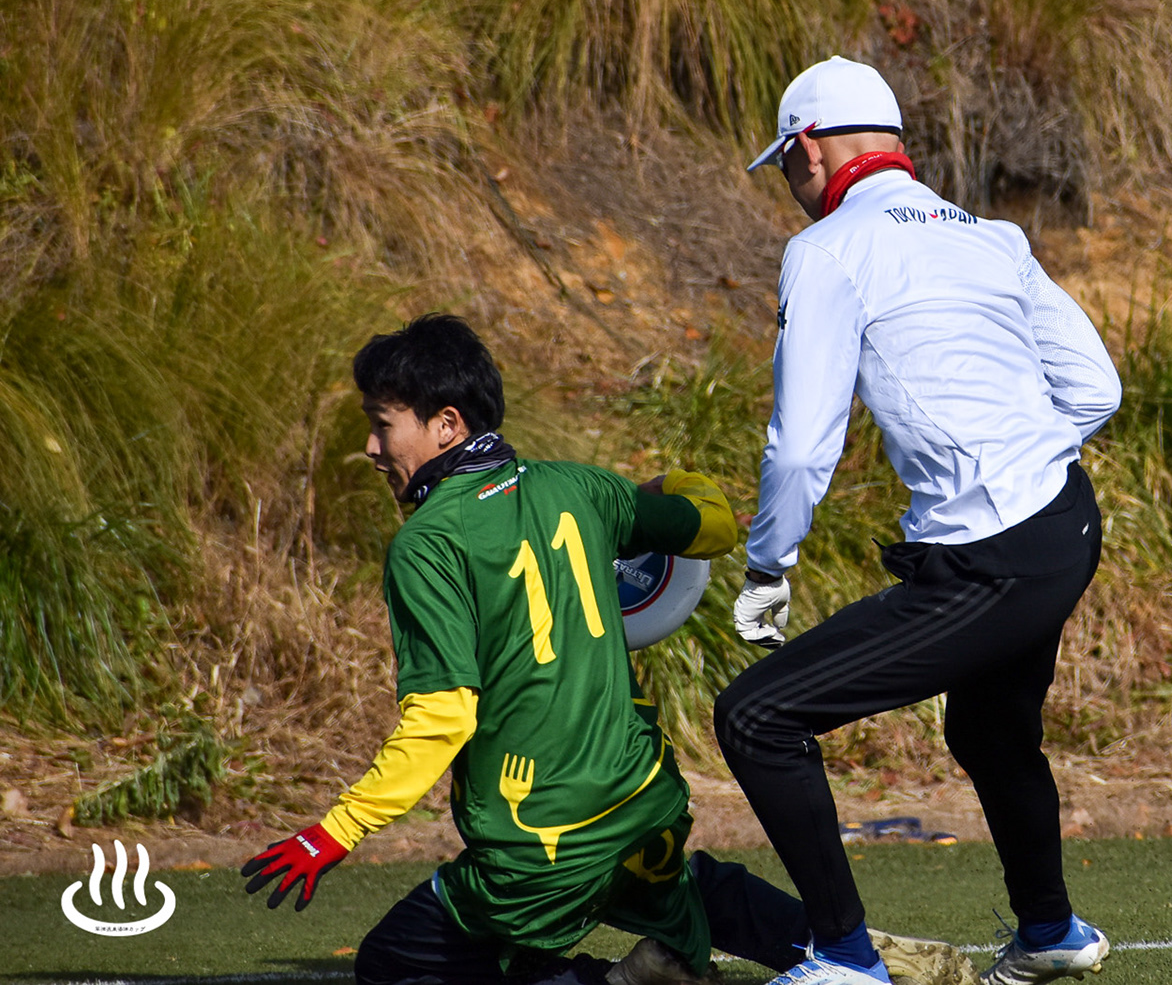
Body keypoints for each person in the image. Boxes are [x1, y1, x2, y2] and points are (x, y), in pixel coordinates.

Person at [239, 314, 817, 985]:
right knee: (665, 878)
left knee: (392, 966)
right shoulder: (580, 487)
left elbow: (442, 719)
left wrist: (334, 832)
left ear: (446, 425)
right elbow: (714, 528)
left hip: (538, 845)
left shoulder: (427, 543)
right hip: (645, 805)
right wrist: (677, 482)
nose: (371, 446)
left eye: (382, 423)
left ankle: (619, 981)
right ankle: (839, 948)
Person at [719, 57, 1124, 985]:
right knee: (989, 731)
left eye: (785, 166)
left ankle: (845, 959)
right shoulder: (992, 236)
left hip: (997, 557)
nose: (790, 186)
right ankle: (1051, 931)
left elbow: (801, 449)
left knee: (757, 717)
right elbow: (1096, 389)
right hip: (1068, 521)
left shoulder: (827, 250)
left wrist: (768, 566)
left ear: (809, 150)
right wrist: (1022, 459)